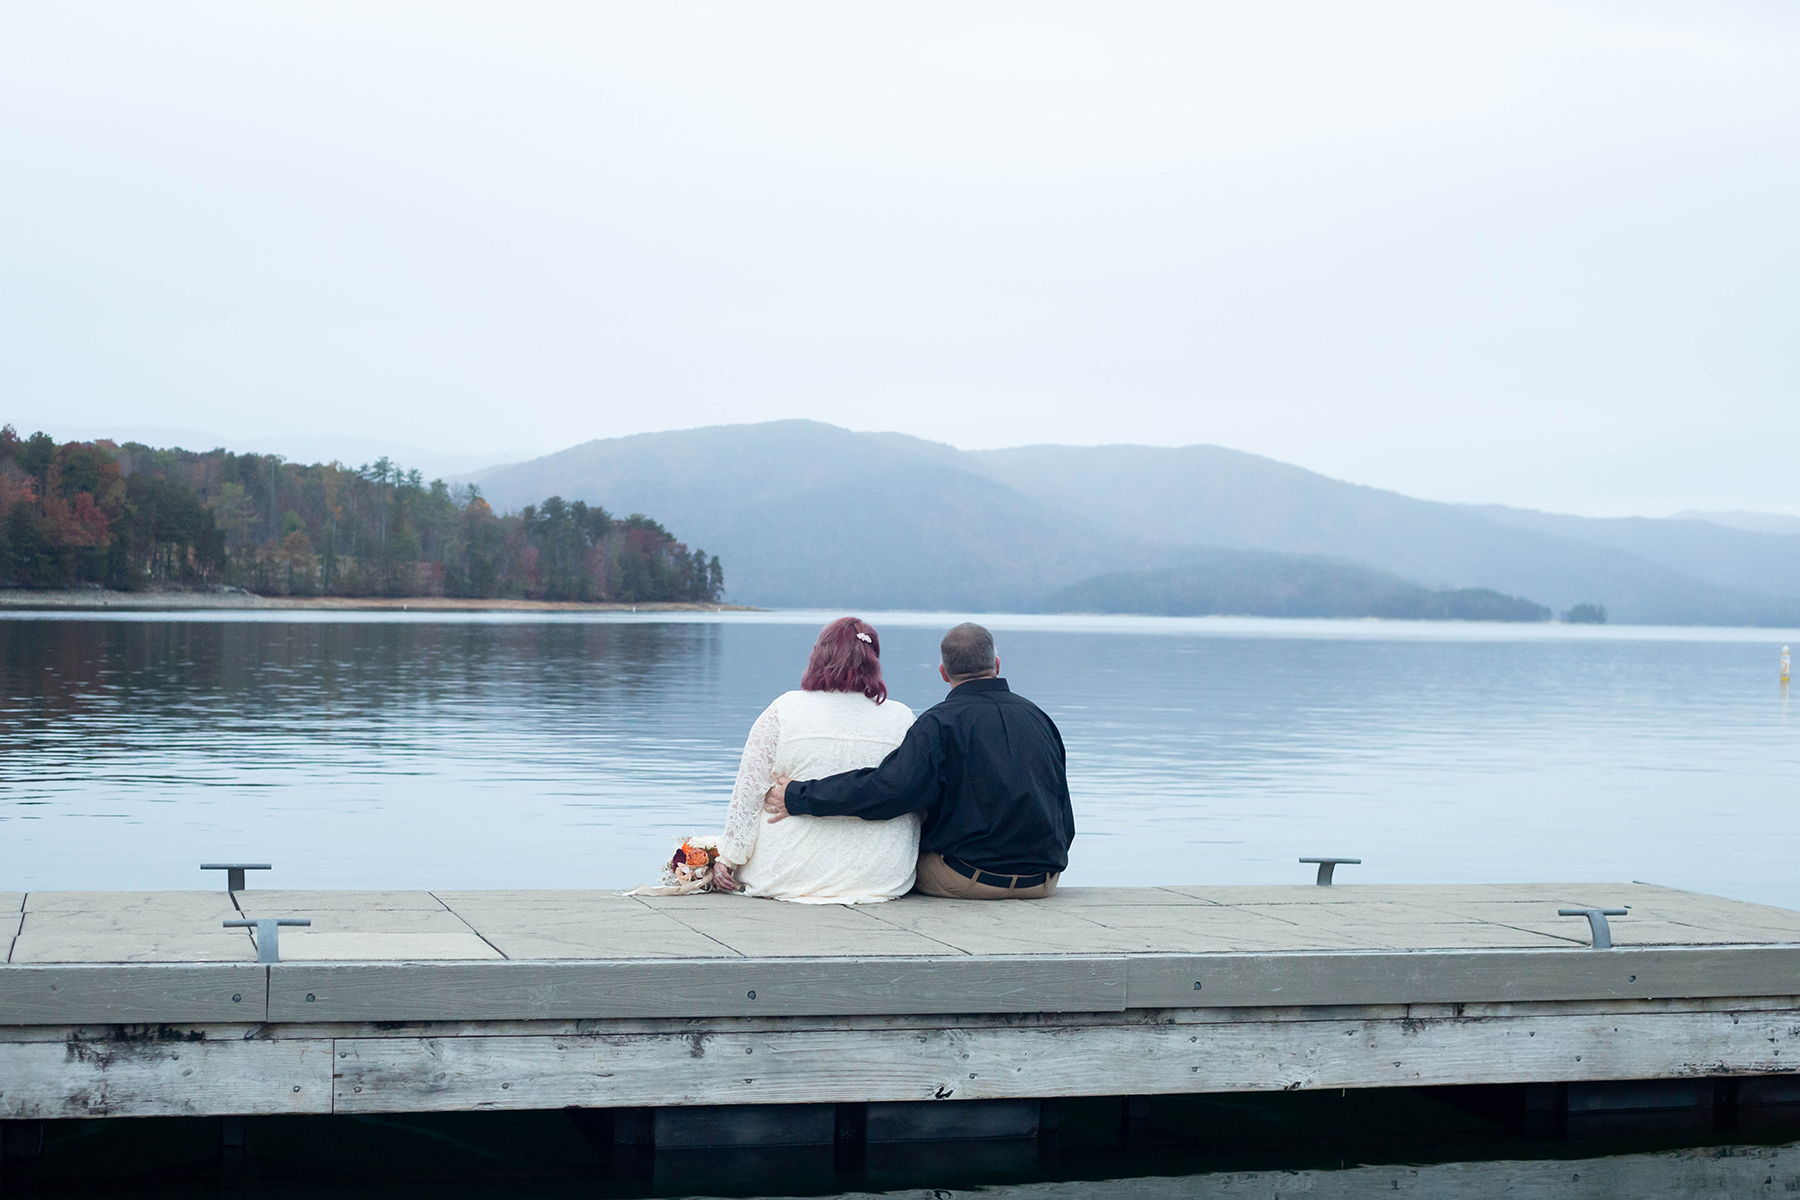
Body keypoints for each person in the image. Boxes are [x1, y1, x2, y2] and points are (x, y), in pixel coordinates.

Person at [762, 622, 1073, 899]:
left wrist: (798, 795)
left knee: (897, 862)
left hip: (968, 878)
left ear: (942, 672)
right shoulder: (1040, 719)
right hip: (1043, 881)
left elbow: (887, 792)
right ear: (997, 664)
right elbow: (1065, 817)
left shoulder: (938, 724)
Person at [709, 617, 919, 903]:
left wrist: (728, 859)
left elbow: (748, 793)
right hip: (881, 874)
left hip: (789, 872)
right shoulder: (902, 718)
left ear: (819, 656)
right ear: (874, 660)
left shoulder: (783, 709)